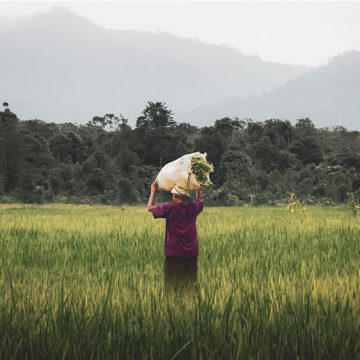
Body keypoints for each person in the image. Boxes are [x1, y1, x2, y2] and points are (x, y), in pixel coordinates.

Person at [148, 182, 204, 293]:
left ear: (174, 197)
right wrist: (198, 187)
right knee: (189, 288)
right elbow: (200, 200)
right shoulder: (193, 207)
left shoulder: (169, 208)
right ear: (186, 197)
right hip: (191, 255)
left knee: (171, 289)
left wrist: (153, 190)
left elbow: (150, 208)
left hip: (173, 255)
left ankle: (173, 309)